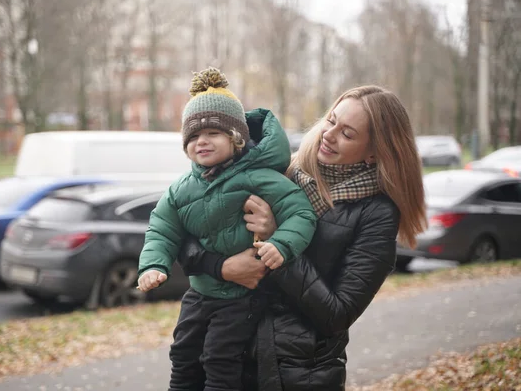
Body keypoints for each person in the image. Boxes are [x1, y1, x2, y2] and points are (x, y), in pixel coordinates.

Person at [178, 85, 427, 390]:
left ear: (375, 152)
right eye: (331, 120)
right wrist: (220, 267)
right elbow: (183, 229)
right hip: (223, 357)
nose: (329, 134)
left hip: (297, 375)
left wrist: (278, 241)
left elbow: (337, 314)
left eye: (347, 134)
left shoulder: (376, 214)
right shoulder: (282, 171)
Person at [137, 67, 318, 391]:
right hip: (199, 292)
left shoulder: (259, 177)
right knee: (182, 354)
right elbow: (162, 229)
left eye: (212, 133)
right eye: (193, 136)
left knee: (220, 359)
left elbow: (301, 213)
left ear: (236, 138)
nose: (201, 141)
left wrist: (282, 244)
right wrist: (153, 264)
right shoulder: (181, 188)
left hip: (240, 298)